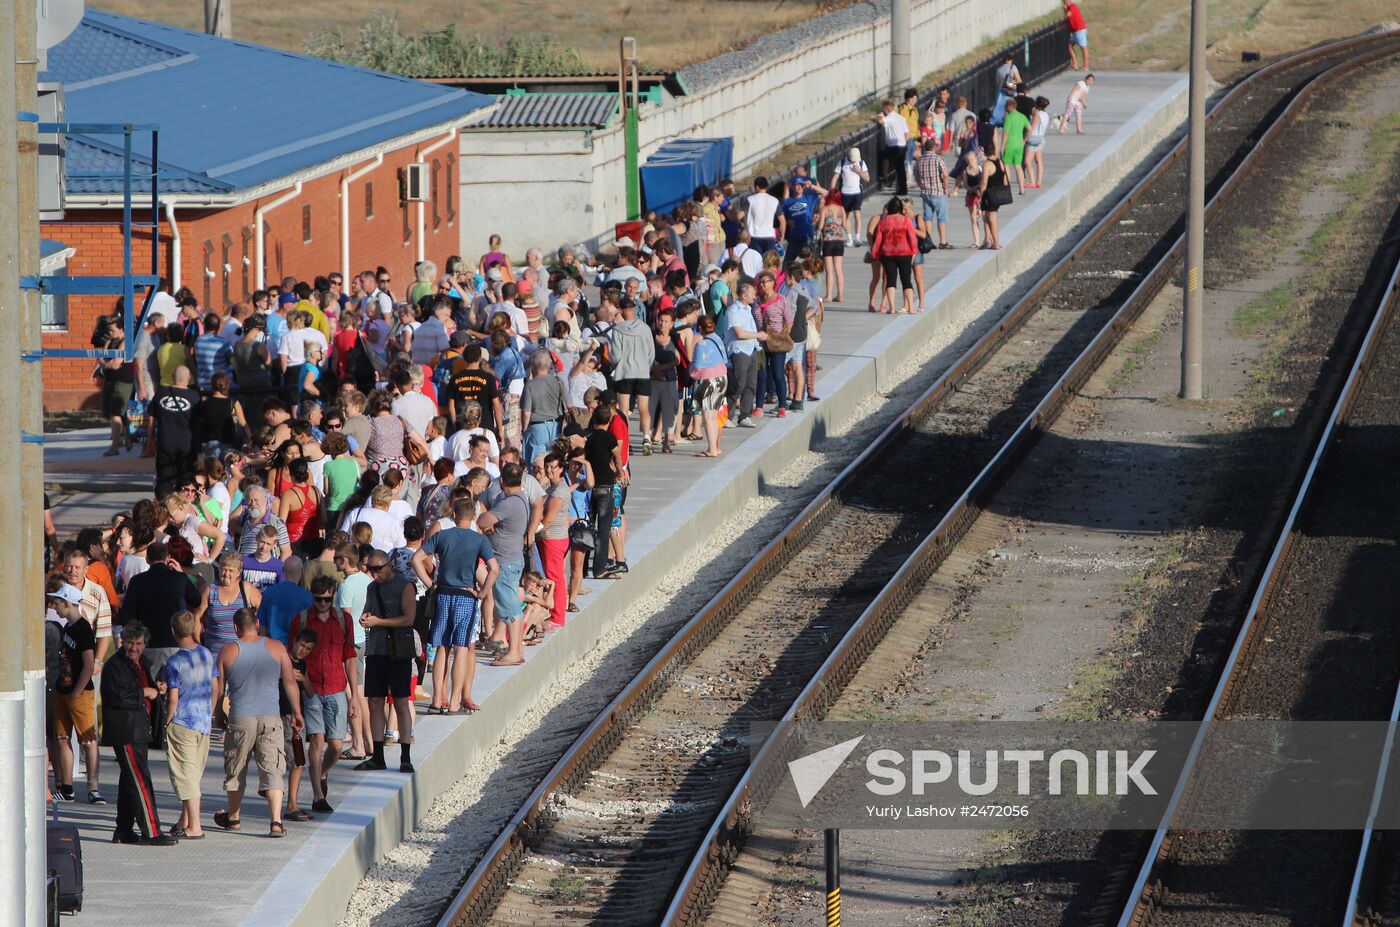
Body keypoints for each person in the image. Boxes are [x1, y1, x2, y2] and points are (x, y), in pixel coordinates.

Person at [214, 607, 303, 838]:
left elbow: (220, 689)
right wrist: (296, 711)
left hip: (240, 718)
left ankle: (233, 817)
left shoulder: (227, 651)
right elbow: (290, 683)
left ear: (235, 628)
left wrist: (218, 713)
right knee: (273, 769)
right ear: (257, 623)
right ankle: (275, 821)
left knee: (236, 768)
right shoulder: (276, 647)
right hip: (270, 717)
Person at [414, 498, 500, 713]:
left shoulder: (442, 536)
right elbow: (494, 570)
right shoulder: (479, 540)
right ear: (473, 517)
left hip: (443, 594)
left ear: (453, 515)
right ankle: (454, 702)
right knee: (461, 648)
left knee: (442, 646)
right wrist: (482, 592)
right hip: (465, 596)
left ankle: (436, 699)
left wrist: (430, 584)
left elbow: (416, 559)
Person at [102, 621, 176, 845]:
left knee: (129, 780)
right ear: (122, 642)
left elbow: (146, 688)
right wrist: (144, 692)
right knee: (141, 781)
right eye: (130, 643)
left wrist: (157, 688)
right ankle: (151, 832)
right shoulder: (115, 666)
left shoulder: (141, 662)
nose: (134, 648)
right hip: (126, 731)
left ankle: (123, 830)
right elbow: (119, 697)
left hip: (140, 729)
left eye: (139, 644)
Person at [289, 575, 359, 812]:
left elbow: (349, 658)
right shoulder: (302, 620)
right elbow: (293, 655)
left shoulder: (343, 619)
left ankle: (321, 773)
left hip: (337, 687)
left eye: (327, 600)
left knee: (337, 745)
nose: (322, 604)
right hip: (312, 689)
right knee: (317, 740)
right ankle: (318, 797)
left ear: (333, 597)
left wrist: (355, 697)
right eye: (318, 599)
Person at [354, 551, 417, 772]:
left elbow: (409, 618)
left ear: (389, 566)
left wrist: (379, 621)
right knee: (374, 703)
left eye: (378, 569)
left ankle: (405, 756)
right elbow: (367, 612)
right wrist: (365, 618)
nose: (374, 573)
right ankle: (377, 756)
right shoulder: (372, 588)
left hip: (397, 652)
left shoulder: (404, 586)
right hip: (376, 651)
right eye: (370, 569)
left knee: (400, 702)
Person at [163, 610, 220, 839]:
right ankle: (184, 820)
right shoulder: (206, 653)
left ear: (173, 631)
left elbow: (173, 698)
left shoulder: (175, 661)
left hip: (183, 721)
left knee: (185, 776)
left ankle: (195, 826)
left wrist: (167, 722)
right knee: (193, 774)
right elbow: (216, 688)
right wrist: (210, 712)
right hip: (203, 723)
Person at [48, 583, 104, 805]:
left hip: (79, 693)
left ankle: (93, 788)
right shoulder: (68, 627)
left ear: (68, 603)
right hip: (62, 690)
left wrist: (77, 692)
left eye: (58, 603)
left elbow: (88, 665)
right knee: (61, 738)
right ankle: (67, 788)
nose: (55, 606)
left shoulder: (82, 629)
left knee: (88, 740)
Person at [475, 463, 532, 667]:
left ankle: (515, 652)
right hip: (512, 557)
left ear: (502, 481)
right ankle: (515, 648)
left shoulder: (508, 503)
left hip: (505, 562)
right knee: (511, 606)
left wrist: (488, 520)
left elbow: (482, 521)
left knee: (510, 608)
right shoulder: (522, 498)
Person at [201, 551, 260, 653]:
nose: (226, 574)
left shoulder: (246, 588)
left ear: (239, 572)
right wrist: (199, 645)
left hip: (241, 655)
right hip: (213, 654)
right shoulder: (210, 590)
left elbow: (263, 613)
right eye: (224, 569)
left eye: (231, 571)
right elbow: (197, 617)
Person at [686, 314, 728, 457]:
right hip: (722, 378)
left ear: (699, 328)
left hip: (708, 381)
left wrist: (691, 372)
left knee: (708, 416)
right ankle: (716, 446)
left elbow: (697, 365)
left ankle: (712, 449)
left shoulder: (702, 344)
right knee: (714, 415)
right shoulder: (718, 339)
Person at [151, 366, 199, 490]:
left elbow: (152, 417)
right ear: (188, 379)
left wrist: (149, 438)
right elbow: (200, 422)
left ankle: (165, 506)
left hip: (165, 442)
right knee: (186, 481)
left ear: (173, 377)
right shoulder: (194, 397)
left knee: (164, 480)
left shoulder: (161, 393)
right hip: (186, 444)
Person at [870, 197, 918, 313]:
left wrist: (874, 253)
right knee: (906, 280)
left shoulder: (884, 221)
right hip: (904, 252)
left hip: (887, 253)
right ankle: (911, 307)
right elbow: (912, 237)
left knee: (891, 280)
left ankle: (891, 308)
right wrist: (914, 251)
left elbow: (878, 240)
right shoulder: (906, 220)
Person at [520, 349, 568, 466]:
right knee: (555, 463)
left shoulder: (530, 385)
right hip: (557, 426)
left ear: (533, 366)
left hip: (537, 428)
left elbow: (526, 412)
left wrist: (524, 430)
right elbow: (569, 404)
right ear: (549, 365)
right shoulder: (558, 381)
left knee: (536, 464)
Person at [914, 138, 953, 250]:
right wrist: (945, 187)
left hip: (925, 192)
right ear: (935, 147)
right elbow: (945, 174)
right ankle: (943, 241)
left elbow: (916, 175)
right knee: (941, 217)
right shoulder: (938, 159)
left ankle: (929, 240)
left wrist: (920, 185)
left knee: (928, 217)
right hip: (938, 191)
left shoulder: (919, 160)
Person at [872, 100, 910, 195]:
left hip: (895, 146)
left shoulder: (890, 117)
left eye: (883, 109)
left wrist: (875, 117)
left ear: (888, 109)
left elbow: (880, 121)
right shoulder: (901, 118)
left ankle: (886, 178)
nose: (883, 111)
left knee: (884, 158)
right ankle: (899, 186)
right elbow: (907, 134)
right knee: (899, 168)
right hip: (902, 145)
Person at [978, 147, 1012, 250]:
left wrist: (981, 196)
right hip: (999, 193)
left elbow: (984, 182)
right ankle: (993, 241)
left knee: (991, 218)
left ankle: (996, 243)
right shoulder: (1000, 162)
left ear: (985, 152)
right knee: (990, 217)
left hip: (990, 194)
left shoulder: (987, 164)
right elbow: (1007, 177)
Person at [817, 190, 848, 302]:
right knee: (838, 269)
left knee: (829, 270)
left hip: (828, 241)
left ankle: (829, 295)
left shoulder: (826, 209)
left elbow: (820, 226)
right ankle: (840, 295)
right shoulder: (841, 209)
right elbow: (844, 225)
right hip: (839, 241)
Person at [998, 99, 1031, 194]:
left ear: (1009, 106)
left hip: (1009, 145)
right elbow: (1029, 128)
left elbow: (1006, 133)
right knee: (1018, 166)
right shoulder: (1022, 116)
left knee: (1006, 166)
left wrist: (1002, 146)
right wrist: (1024, 140)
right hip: (1019, 145)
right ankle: (1022, 189)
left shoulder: (1008, 118)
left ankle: (1007, 188)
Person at [744, 176, 783, 254]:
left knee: (756, 261)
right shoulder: (774, 200)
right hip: (769, 236)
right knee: (769, 262)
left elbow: (740, 214)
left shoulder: (750, 199)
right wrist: (782, 237)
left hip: (755, 236)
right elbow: (782, 220)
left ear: (757, 187)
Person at [1027, 96, 1051, 189]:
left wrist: (1025, 139)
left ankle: (1032, 181)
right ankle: (1039, 181)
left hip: (1034, 138)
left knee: (1028, 161)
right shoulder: (1046, 114)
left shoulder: (1037, 114)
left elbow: (1032, 128)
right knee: (1039, 160)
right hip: (1041, 138)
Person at [1065, 0, 1090, 70]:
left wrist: (1065, 9)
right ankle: (1075, 64)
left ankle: (1086, 66)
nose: (1065, 2)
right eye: (1064, 1)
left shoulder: (1073, 6)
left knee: (1083, 48)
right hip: (1075, 32)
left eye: (1067, 0)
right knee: (1069, 46)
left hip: (1080, 30)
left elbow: (1069, 15)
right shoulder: (1068, 8)